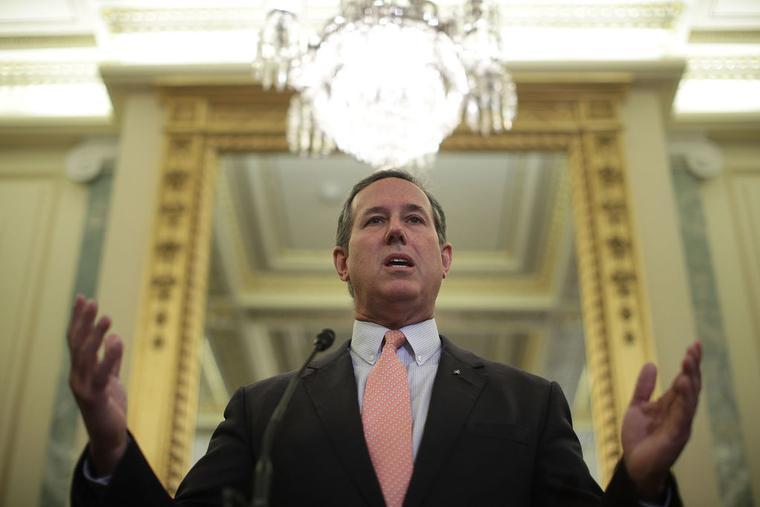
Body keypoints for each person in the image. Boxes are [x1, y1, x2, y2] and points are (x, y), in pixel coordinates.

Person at [68, 170, 702, 506]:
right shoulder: (264, 411)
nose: (397, 232)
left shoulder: (528, 403)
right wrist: (108, 445)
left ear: (444, 257)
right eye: (376, 221)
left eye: (413, 220)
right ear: (343, 261)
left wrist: (642, 486)